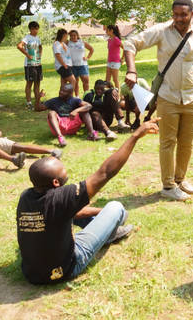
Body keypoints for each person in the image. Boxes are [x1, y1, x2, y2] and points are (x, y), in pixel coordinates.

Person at [16, 119, 159, 285]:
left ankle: (109, 231)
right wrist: (135, 136)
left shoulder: (26, 197)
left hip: (31, 274)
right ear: (55, 182)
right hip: (66, 268)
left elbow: (69, 213)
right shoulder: (63, 197)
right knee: (117, 209)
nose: (65, 170)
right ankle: (110, 233)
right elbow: (106, 172)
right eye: (63, 170)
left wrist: (100, 213)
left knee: (92, 212)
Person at [124, 0, 193, 201]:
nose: (179, 18)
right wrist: (132, 70)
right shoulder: (161, 31)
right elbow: (131, 43)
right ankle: (168, 186)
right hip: (167, 97)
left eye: (183, 15)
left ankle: (180, 179)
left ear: (192, 14)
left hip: (192, 98)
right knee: (168, 141)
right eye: (175, 14)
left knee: (187, 143)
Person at [35, 84, 99, 146]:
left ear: (70, 93)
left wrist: (76, 110)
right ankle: (60, 137)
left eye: (64, 91)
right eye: (60, 90)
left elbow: (89, 105)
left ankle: (91, 133)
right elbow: (38, 109)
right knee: (51, 113)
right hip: (60, 127)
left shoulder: (75, 100)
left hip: (72, 125)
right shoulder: (53, 101)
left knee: (85, 111)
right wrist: (38, 98)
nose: (61, 92)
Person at [17, 21, 43, 109]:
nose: (36, 31)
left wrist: (40, 55)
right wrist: (27, 55)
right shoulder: (27, 38)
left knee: (37, 83)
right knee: (29, 83)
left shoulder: (38, 38)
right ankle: (29, 103)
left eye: (37, 29)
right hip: (29, 64)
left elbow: (40, 47)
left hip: (37, 64)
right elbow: (19, 46)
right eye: (34, 29)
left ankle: (37, 101)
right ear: (30, 29)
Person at [68, 30, 94, 97]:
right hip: (73, 66)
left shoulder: (82, 42)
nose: (73, 37)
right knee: (75, 83)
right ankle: (77, 97)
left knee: (85, 82)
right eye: (71, 36)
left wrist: (87, 57)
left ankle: (86, 96)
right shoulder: (68, 43)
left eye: (74, 35)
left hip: (83, 65)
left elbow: (91, 49)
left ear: (77, 36)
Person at [105, 25, 123, 93]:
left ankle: (117, 95)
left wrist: (122, 58)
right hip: (109, 61)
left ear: (111, 30)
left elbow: (124, 47)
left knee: (115, 79)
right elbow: (110, 51)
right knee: (107, 80)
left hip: (115, 62)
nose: (106, 32)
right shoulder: (109, 40)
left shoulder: (116, 39)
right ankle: (108, 94)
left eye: (107, 30)